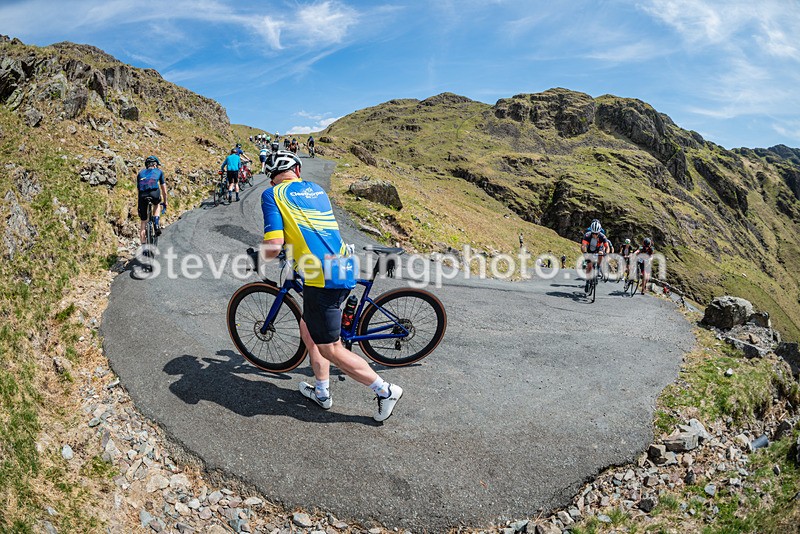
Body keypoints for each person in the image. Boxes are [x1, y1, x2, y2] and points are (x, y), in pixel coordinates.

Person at [259, 151, 403, 422]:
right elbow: (311, 228)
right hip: (342, 265)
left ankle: (385, 391)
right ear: (298, 171)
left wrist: (259, 257)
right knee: (307, 326)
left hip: (321, 277)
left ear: (271, 180)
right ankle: (322, 391)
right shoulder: (316, 189)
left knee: (331, 348)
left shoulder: (272, 195)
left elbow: (274, 244)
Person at [136, 155, 167, 243]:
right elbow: (164, 190)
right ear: (155, 165)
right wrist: (165, 202)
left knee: (143, 222)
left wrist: (139, 206)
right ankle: (156, 223)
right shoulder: (159, 172)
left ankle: (143, 247)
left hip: (142, 196)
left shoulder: (140, 173)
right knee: (157, 204)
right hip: (154, 193)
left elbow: (139, 191)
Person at [580, 219, 609, 292]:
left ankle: (598, 268)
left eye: (596, 234)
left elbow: (607, 247)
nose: (594, 235)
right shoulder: (587, 235)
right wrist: (585, 253)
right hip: (590, 249)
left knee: (601, 255)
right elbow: (583, 246)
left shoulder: (603, 236)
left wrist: (606, 253)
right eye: (593, 233)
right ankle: (587, 282)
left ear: (599, 232)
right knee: (589, 266)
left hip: (599, 248)